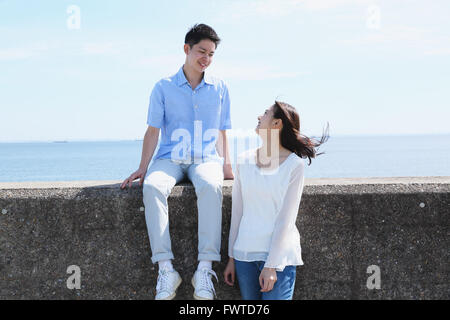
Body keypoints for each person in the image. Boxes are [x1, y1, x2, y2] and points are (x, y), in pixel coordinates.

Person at [121, 24, 233, 300]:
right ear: (187, 49)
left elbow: (222, 131)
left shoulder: (219, 88)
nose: (205, 58)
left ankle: (204, 270)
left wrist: (227, 164)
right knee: (153, 187)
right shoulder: (163, 87)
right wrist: (143, 167)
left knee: (211, 186)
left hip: (205, 158)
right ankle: (166, 269)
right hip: (169, 157)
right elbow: (152, 131)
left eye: (211, 54)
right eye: (201, 51)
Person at [223, 101, 328, 300]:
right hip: (244, 256)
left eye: (265, 113)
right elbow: (237, 212)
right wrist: (231, 257)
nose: (259, 117)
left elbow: (286, 221)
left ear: (277, 124)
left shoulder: (294, 165)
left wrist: (271, 265)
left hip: (279, 261)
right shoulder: (243, 160)